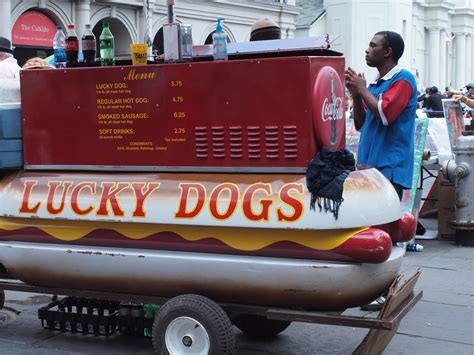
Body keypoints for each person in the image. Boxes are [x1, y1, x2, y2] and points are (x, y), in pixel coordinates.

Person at [345, 31, 417, 200]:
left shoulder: (404, 78)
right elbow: (361, 124)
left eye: (373, 45)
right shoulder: (375, 83)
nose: (367, 50)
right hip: (368, 168)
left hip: (388, 168)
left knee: (384, 224)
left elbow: (385, 114)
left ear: (387, 52)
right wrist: (356, 95)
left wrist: (362, 89)